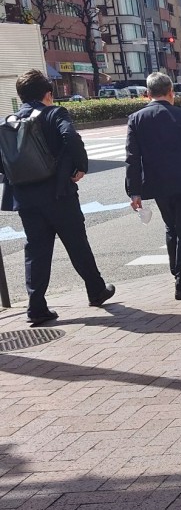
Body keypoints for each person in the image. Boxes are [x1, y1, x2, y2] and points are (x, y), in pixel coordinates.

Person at [0, 69, 114, 325]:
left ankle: (36, 306)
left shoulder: (10, 122)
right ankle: (96, 290)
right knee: (76, 243)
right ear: (48, 94)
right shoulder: (54, 113)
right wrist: (80, 166)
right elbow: (70, 136)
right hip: (58, 193)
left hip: (26, 198)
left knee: (36, 251)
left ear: (21, 96)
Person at [125, 72, 181, 300]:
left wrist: (134, 192)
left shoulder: (136, 119)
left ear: (147, 94)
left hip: (158, 185)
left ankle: (176, 271)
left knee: (171, 228)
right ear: (170, 92)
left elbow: (132, 158)